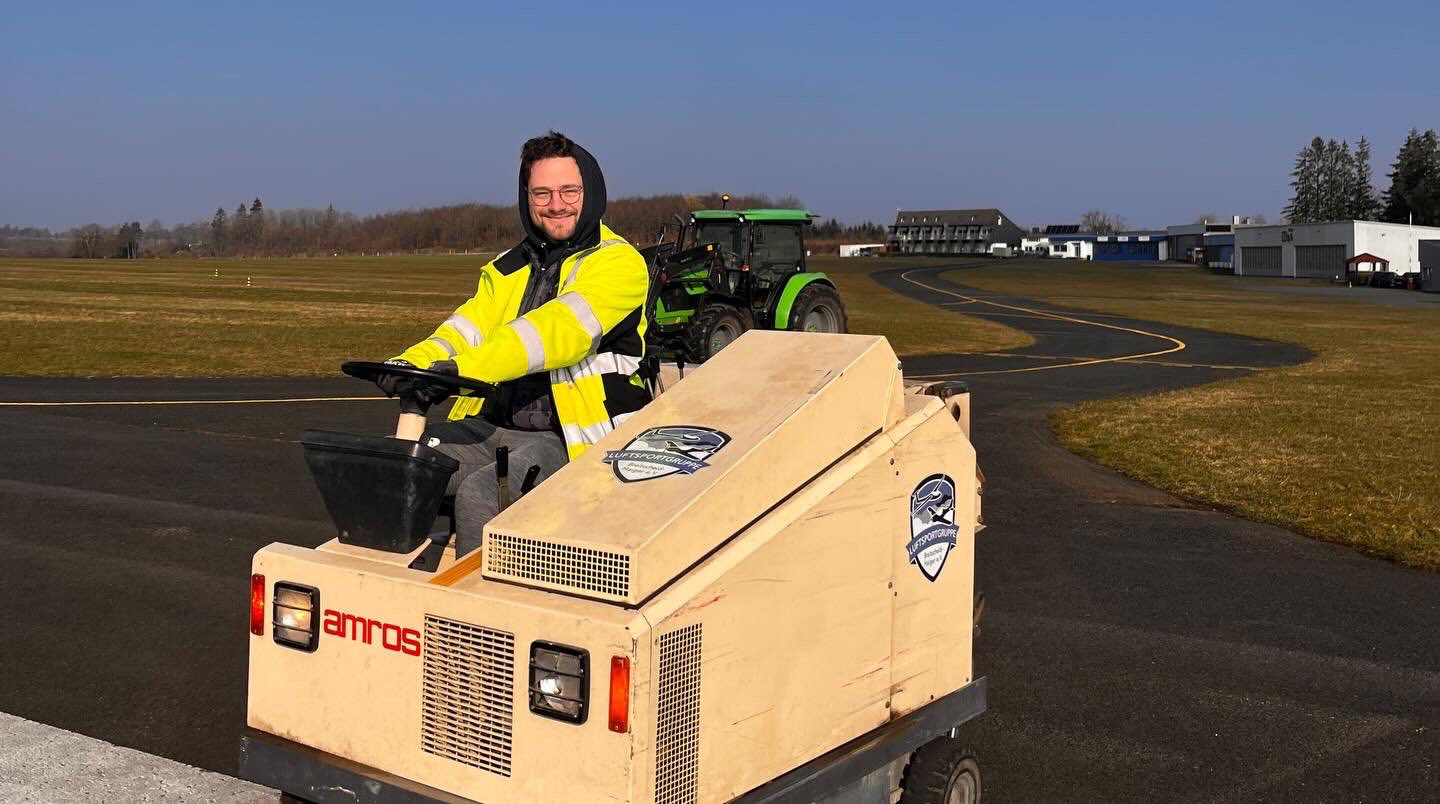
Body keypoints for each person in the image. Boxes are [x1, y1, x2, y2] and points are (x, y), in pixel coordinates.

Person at [377, 131, 651, 556]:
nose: (556, 204)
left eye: (569, 191)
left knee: (480, 496)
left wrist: (468, 371)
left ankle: (471, 617)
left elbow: (556, 332)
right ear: (526, 198)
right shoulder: (509, 269)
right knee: (403, 467)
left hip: (572, 439)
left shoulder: (618, 263)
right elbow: (463, 330)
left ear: (592, 192)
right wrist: (409, 365)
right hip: (494, 424)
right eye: (542, 193)